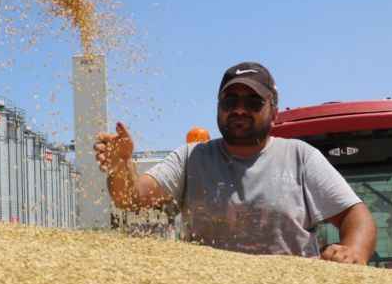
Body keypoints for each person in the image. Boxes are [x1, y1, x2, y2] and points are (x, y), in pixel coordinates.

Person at [94, 62, 377, 264]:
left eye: (253, 102)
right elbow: (130, 198)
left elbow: (356, 215)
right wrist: (121, 166)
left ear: (273, 112)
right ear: (218, 106)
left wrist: (353, 251)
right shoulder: (191, 158)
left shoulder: (299, 157)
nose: (239, 109)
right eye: (230, 101)